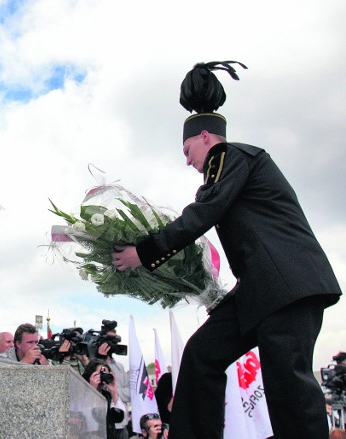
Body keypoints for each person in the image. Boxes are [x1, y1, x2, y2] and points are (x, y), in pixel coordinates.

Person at [111, 61, 342, 439]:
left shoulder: (231, 157)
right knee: (202, 354)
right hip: (260, 289)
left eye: (187, 150)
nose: (187, 161)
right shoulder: (229, 167)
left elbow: (204, 212)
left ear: (205, 137)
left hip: (287, 288)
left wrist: (144, 251)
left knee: (288, 385)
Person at [82, 359, 127, 439]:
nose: (104, 375)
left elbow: (118, 418)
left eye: (106, 373)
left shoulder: (107, 395)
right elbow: (91, 416)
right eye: (101, 373)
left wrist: (114, 392)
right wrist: (93, 389)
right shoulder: (81, 392)